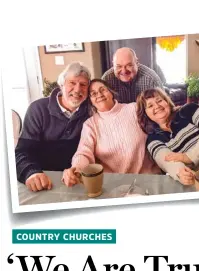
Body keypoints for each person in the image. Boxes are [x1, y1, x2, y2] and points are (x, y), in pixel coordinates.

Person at [62, 79, 158, 187]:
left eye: (103, 90)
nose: (99, 94)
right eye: (93, 94)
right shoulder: (90, 124)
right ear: (91, 101)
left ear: (111, 92)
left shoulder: (134, 108)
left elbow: (159, 120)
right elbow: (84, 152)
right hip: (114, 185)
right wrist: (76, 169)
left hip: (148, 179)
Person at [15, 62, 91, 192]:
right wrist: (31, 172)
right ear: (61, 85)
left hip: (75, 178)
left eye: (83, 85)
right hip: (42, 178)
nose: (78, 89)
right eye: (72, 83)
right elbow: (21, 152)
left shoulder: (90, 111)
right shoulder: (38, 109)